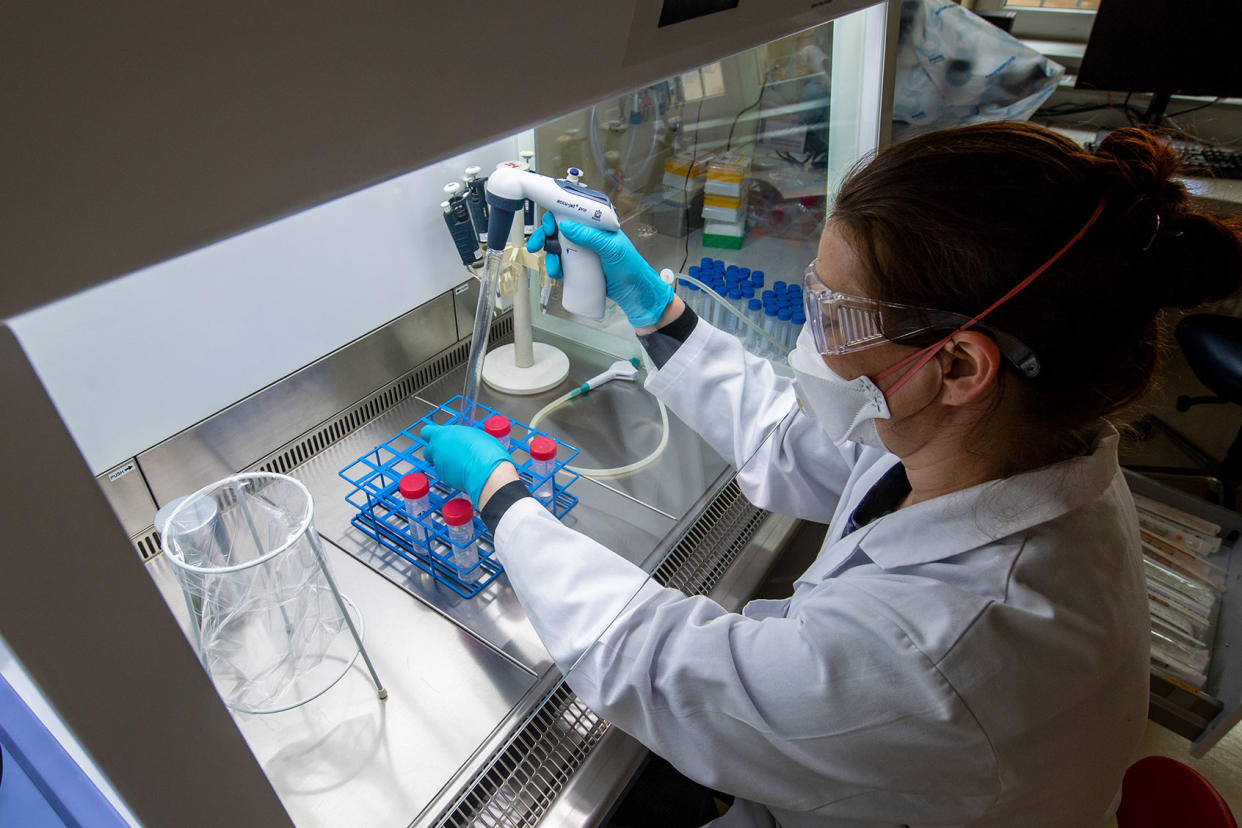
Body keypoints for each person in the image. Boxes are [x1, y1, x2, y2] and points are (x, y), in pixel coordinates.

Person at [421, 123, 1242, 828]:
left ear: (959, 364)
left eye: (833, 311)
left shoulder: (949, 645)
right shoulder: (1015, 438)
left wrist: (501, 497)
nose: (812, 333)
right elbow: (790, 442)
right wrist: (655, 311)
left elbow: (655, 665)